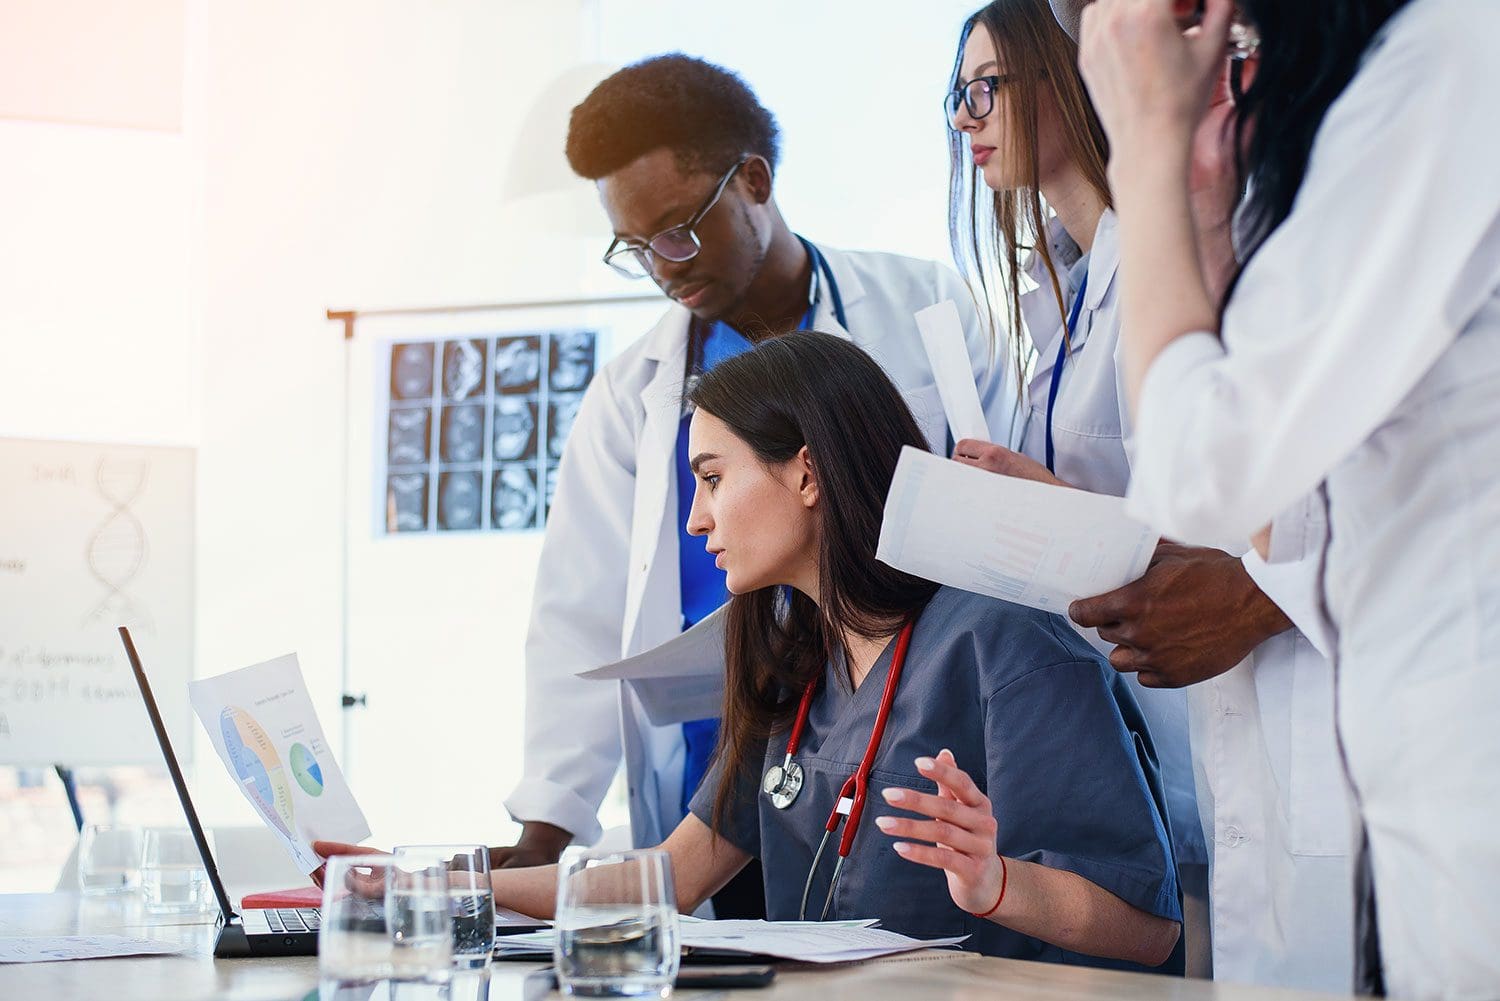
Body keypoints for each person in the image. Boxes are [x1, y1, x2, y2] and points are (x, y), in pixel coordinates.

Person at [327, 331, 1178, 967]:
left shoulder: (1003, 647)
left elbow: (1149, 925)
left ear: (807, 475)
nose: (696, 519)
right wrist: (439, 881)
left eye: (711, 477)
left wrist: (996, 884)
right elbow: (666, 876)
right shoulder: (797, 672)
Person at [498, 55, 1014, 919]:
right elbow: (575, 611)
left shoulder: (923, 306)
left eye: (677, 230)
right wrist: (544, 827)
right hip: (728, 765)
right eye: (635, 247)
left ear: (755, 179)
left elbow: (993, 512)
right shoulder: (635, 392)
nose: (664, 267)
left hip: (901, 736)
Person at [1077, 0, 1500, 996]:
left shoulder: (1443, 58)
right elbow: (1272, 488)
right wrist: (1210, 225)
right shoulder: (1400, 81)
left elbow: (1202, 473)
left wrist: (1141, 149)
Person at [942, 1, 1359, 990]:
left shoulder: (1211, 234)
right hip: (1156, 738)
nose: (966, 119)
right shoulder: (1057, 304)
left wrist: (1059, 513)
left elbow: (1211, 495)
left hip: (1268, 699)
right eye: (957, 96)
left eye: (985, 87)